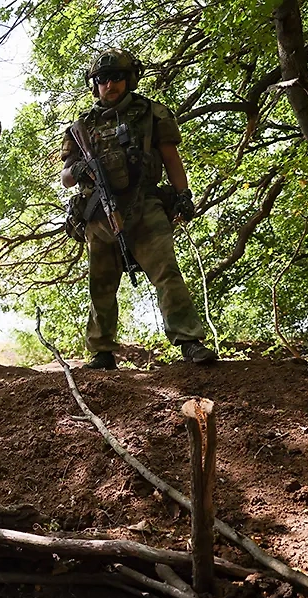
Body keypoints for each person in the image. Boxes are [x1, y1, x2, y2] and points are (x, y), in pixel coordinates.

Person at [60, 49, 217, 369]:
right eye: (102, 79)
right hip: (100, 214)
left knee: (166, 272)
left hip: (145, 206)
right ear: (95, 85)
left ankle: (189, 340)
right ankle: (101, 351)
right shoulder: (82, 125)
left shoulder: (151, 113)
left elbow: (171, 157)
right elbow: (65, 175)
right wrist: (77, 171)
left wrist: (183, 194)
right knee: (100, 282)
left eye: (117, 77)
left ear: (129, 79)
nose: (110, 85)